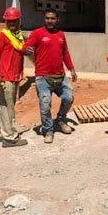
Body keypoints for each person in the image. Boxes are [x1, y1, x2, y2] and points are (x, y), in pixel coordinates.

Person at [23, 8, 77, 144]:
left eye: (53, 18)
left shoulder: (61, 35)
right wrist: (26, 50)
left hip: (60, 76)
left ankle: (60, 119)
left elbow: (65, 53)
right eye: (47, 18)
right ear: (44, 19)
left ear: (57, 20)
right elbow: (25, 47)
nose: (50, 21)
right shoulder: (37, 34)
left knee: (69, 97)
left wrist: (72, 69)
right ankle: (48, 129)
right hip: (43, 77)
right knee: (45, 104)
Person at [0, 7, 28, 148]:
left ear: (19, 21)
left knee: (3, 106)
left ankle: (3, 132)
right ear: (6, 21)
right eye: (9, 21)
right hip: (6, 78)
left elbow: (20, 56)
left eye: (14, 21)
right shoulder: (2, 36)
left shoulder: (19, 37)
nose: (12, 23)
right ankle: (10, 138)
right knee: (7, 107)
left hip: (14, 76)